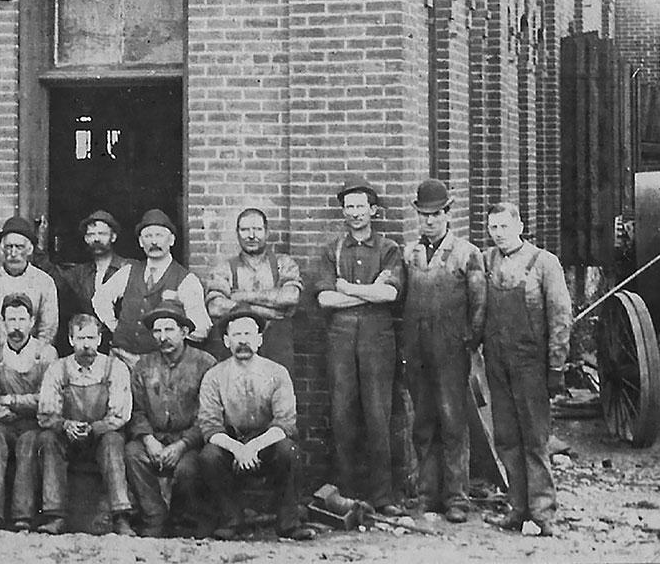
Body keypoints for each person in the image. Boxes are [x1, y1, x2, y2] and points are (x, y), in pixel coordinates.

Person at [312, 177, 406, 516]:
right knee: (342, 414)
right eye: (348, 207)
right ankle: (347, 494)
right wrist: (366, 291)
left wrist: (346, 287)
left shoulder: (389, 249)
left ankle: (383, 496)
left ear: (373, 210)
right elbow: (324, 299)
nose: (354, 213)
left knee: (379, 415)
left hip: (378, 340)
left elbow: (390, 295)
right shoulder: (331, 250)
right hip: (340, 340)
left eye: (360, 207)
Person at [479, 202, 572, 537]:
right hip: (497, 363)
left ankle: (543, 512)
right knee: (506, 438)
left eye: (504, 226)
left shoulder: (544, 263)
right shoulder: (486, 261)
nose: (499, 234)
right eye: (493, 228)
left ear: (519, 226)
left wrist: (556, 366)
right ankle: (518, 508)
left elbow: (561, 316)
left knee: (535, 439)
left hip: (531, 364)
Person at [401, 179, 486, 523]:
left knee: (453, 422)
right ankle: (427, 494)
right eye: (424, 215)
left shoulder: (467, 254)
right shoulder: (410, 254)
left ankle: (457, 498)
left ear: (449, 214)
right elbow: (403, 300)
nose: (429, 222)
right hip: (418, 351)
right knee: (423, 422)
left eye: (436, 215)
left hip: (452, 349)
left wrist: (471, 341)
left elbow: (479, 303)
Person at [195, 311, 314, 541]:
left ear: (259, 339)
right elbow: (210, 427)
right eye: (236, 334)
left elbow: (285, 423)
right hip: (231, 442)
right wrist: (239, 449)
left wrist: (253, 447)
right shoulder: (214, 376)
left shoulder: (277, 373)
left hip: (268, 441)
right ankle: (231, 520)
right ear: (227, 341)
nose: (243, 340)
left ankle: (288, 522)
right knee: (209, 456)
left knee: (288, 450)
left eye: (248, 334)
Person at [35, 314, 135, 536]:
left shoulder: (115, 368)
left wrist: (95, 428)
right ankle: (55, 515)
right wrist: (64, 425)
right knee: (47, 439)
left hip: (101, 436)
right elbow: (45, 414)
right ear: (70, 340)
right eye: (80, 338)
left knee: (114, 440)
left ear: (100, 339)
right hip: (68, 437)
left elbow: (120, 414)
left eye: (91, 338)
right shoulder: (57, 369)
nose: (87, 345)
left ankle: (121, 516)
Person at [124, 301, 215, 537]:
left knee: (188, 468)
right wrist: (147, 439)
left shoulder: (205, 364)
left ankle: (181, 520)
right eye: (157, 330)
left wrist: (183, 444)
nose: (162, 337)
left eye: (169, 329)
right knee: (133, 454)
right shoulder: (143, 366)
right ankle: (154, 517)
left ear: (184, 332)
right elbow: (137, 410)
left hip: (189, 442)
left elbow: (208, 414)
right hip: (154, 437)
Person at [0, 293, 56, 532]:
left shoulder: (47, 355)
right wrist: (1, 412)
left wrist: (13, 400)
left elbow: (48, 398)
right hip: (6, 423)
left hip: (35, 424)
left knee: (29, 442)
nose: (16, 326)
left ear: (32, 322)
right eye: (11, 320)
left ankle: (23, 515)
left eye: (22, 319)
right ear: (3, 322)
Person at [92, 210, 209, 361]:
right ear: (141, 242)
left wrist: (173, 338)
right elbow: (100, 299)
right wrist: (113, 325)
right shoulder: (129, 271)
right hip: (121, 357)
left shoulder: (186, 280)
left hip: (159, 361)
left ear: (172, 240)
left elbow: (201, 328)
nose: (154, 242)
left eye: (159, 235)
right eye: (148, 236)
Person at [203, 208, 303, 363]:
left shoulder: (284, 264)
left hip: (277, 348)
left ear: (267, 232)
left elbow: (290, 297)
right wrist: (266, 311)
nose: (251, 235)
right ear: (237, 233)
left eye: (257, 229)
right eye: (245, 230)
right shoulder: (225, 268)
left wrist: (240, 297)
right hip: (239, 349)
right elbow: (216, 306)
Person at [0, 216, 59, 364]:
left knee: (49, 355)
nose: (13, 253)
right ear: (2, 249)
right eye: (9, 247)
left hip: (34, 358)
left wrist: (35, 353)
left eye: (19, 247)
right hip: (0, 358)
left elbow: (48, 328)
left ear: (29, 249)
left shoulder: (44, 282)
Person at [60, 210, 137, 353]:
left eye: (102, 234)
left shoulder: (129, 268)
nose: (96, 239)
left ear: (113, 237)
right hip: (89, 348)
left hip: (122, 348)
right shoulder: (79, 273)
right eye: (91, 234)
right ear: (85, 239)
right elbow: (56, 279)